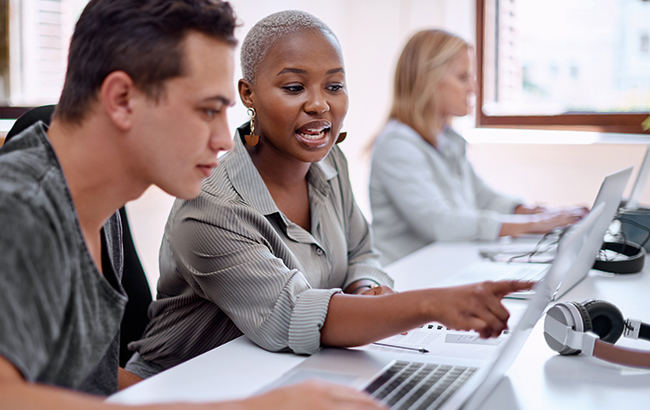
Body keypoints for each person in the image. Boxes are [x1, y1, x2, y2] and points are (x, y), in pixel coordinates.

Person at [0, 1, 413, 410]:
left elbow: (83, 385)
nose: (222, 139)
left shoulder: (94, 212)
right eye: (207, 110)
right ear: (121, 99)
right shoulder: (20, 207)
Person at [126, 11, 533, 380]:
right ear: (248, 94)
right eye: (294, 87)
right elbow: (294, 315)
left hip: (282, 373)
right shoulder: (213, 205)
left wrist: (365, 288)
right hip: (177, 393)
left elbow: (361, 252)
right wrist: (426, 305)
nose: (319, 104)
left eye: (334, 85)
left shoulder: (329, 162)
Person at [369, 30, 587, 265]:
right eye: (463, 77)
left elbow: (482, 197)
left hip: (443, 265)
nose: (473, 88)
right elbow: (441, 223)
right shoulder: (397, 145)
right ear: (428, 82)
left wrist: (529, 212)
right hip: (408, 275)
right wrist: (533, 225)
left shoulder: (447, 139)